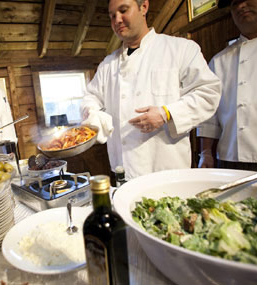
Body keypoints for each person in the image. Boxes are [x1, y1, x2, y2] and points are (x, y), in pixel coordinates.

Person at [80, 0, 221, 180]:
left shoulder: (180, 49)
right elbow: (90, 96)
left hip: (167, 169)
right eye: (112, 16)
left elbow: (208, 92)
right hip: (123, 172)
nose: (117, 20)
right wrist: (91, 112)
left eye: (123, 11)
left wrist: (166, 114)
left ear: (143, 7)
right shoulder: (108, 64)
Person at [198, 0, 257, 171]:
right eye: (234, 3)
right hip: (230, 159)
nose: (241, 6)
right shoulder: (220, 60)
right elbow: (210, 115)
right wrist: (206, 153)